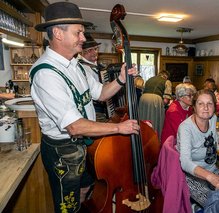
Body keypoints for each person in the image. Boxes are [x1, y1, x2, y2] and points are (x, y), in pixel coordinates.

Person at [29, 2, 139, 213]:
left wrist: (122, 80)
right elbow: (75, 127)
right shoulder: (46, 74)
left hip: (83, 145)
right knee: (66, 206)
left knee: (88, 185)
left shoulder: (77, 65)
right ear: (58, 34)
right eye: (78, 32)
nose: (83, 38)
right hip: (62, 151)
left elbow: (101, 93)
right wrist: (118, 128)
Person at [176, 89, 219, 207]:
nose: (206, 108)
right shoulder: (186, 128)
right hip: (191, 176)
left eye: (209, 104)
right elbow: (185, 163)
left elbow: (212, 134)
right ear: (194, 106)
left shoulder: (212, 118)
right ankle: (196, 207)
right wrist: (211, 177)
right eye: (200, 104)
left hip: (211, 169)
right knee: (217, 205)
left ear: (214, 106)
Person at [78, 32, 107, 115]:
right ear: (82, 52)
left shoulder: (98, 66)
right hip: (94, 107)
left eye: (95, 49)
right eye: (90, 50)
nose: (94, 52)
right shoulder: (81, 67)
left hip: (103, 105)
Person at [138, 70, 172, 139]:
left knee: (143, 118)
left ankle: (142, 138)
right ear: (166, 76)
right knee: (155, 120)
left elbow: (143, 90)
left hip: (143, 99)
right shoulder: (166, 81)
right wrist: (163, 106)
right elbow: (166, 99)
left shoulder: (149, 79)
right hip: (155, 99)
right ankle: (154, 139)